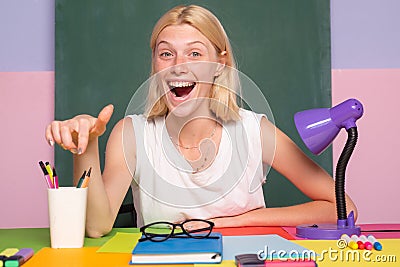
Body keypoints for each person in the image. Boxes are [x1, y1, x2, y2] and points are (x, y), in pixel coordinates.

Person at [45, 5, 357, 238]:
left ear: (220, 64)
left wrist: (229, 223)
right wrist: (84, 146)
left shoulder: (254, 130)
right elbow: (97, 227)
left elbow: (344, 208)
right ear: (154, 64)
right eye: (166, 54)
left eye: (195, 54)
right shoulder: (131, 134)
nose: (178, 66)